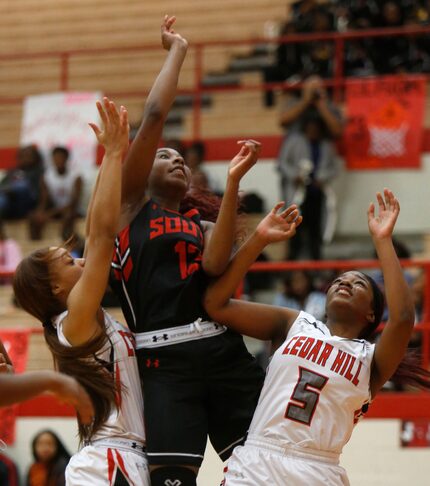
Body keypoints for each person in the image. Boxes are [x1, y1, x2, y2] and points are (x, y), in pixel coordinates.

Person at [111, 16, 265, 486]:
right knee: (172, 479)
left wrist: (235, 180)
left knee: (264, 467)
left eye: (182, 159)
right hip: (164, 361)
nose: (176, 157)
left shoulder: (202, 224)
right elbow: (155, 116)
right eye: (164, 155)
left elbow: (217, 266)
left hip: (222, 351)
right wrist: (177, 50)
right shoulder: (128, 208)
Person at [203, 189, 429, 484]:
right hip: (258, 458)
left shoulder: (370, 360)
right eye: (338, 280)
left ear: (372, 314)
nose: (345, 282)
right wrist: (258, 239)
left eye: (358, 283)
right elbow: (216, 304)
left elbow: (401, 319)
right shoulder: (294, 323)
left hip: (318, 468)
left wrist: (383, 241)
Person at [13, 98, 149, 485]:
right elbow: (102, 236)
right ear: (55, 287)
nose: (81, 261)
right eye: (69, 262)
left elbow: (94, 236)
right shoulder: (74, 324)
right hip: (110, 458)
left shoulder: (81, 319)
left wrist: (111, 156)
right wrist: (113, 154)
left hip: (122, 455)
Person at [29, 146, 82, 241]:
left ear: (66, 159)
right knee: (34, 217)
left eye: (61, 158)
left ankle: (65, 242)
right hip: (54, 209)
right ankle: (36, 244)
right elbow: (44, 200)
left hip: (71, 210)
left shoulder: (76, 177)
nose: (58, 160)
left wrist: (50, 214)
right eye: (56, 158)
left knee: (68, 215)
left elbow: (74, 202)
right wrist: (40, 212)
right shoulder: (46, 176)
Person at [0, 145, 44, 221]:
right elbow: (2, 187)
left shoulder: (40, 172)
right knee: (2, 198)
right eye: (23, 156)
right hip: (12, 205)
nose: (26, 158)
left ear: (36, 158)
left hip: (28, 205)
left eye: (29, 155)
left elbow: (36, 193)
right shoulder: (12, 171)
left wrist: (12, 190)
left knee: (21, 186)